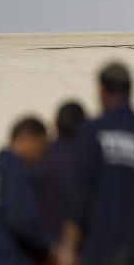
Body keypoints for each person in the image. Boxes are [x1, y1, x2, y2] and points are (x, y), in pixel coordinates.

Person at [58, 62, 134, 265]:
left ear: (101, 91)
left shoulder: (92, 132)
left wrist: (68, 245)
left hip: (102, 244)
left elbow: (79, 194)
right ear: (131, 90)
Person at [0, 116, 51, 264]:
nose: (42, 154)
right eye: (41, 145)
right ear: (28, 140)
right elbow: (22, 221)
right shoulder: (15, 172)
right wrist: (49, 248)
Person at [32, 101, 86, 246]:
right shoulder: (92, 159)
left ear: (55, 123)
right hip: (81, 246)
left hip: (45, 244)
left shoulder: (39, 155)